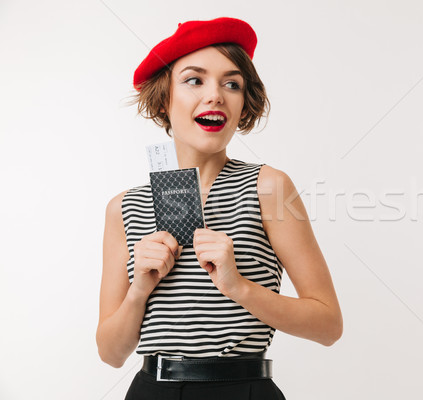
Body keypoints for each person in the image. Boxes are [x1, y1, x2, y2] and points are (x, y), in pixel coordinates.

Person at [96, 17, 343, 400]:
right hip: (152, 391)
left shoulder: (269, 187)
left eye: (232, 84)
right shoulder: (124, 208)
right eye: (195, 80)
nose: (215, 95)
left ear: (244, 103)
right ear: (165, 98)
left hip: (243, 389)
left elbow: (328, 325)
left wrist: (238, 286)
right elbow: (110, 354)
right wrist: (139, 289)